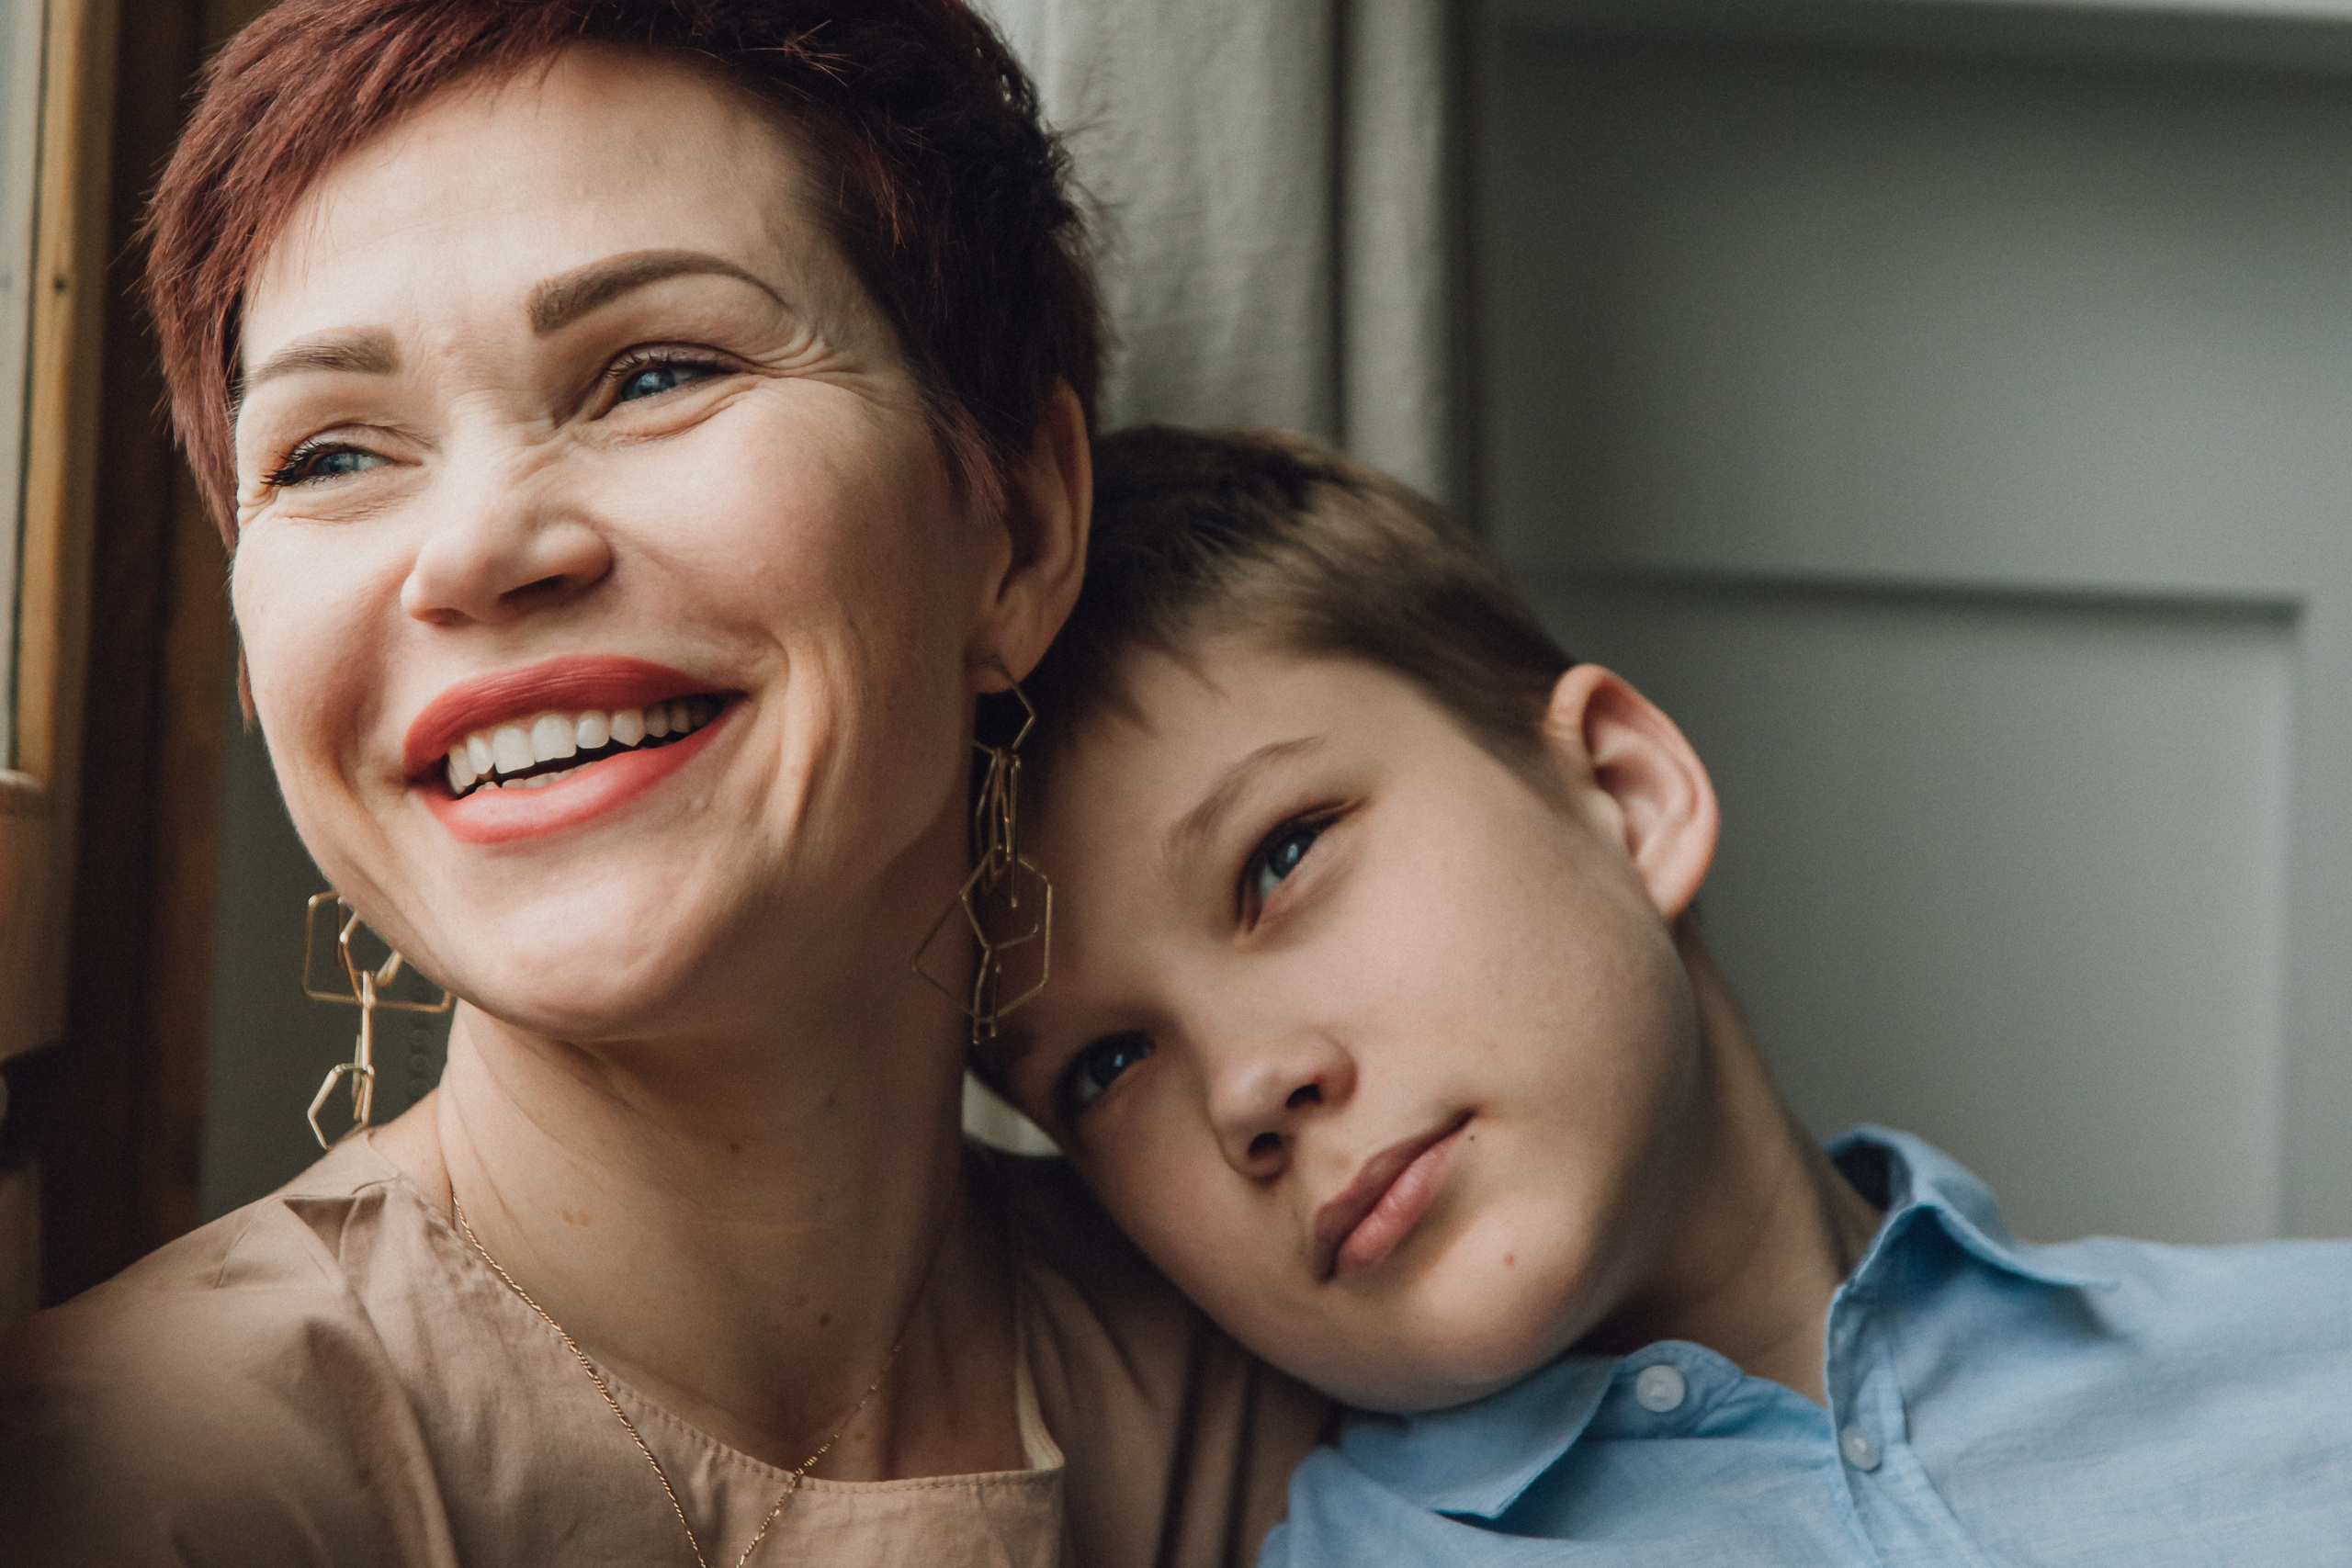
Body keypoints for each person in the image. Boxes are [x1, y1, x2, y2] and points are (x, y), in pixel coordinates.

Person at [0, 7, 1325, 1564]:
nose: (483, 549)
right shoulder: (119, 1481)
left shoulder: (1311, 1376)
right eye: (333, 456)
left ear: (1016, 526)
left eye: (657, 371)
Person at [978, 423, 2352, 1565]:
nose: (1244, 1090)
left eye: (1280, 856)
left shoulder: (2312, 1366)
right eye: (1104, 1068)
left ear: (1631, 799)